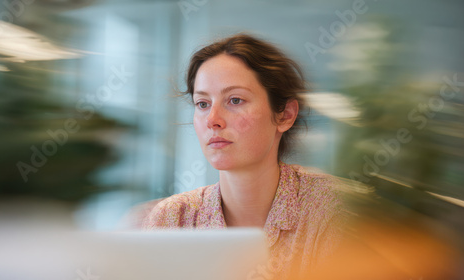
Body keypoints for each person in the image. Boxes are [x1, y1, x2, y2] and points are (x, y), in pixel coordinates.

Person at [137, 33, 350, 279]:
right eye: (203, 104)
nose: (213, 120)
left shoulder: (334, 211)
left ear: (285, 115)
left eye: (235, 100)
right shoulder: (172, 220)